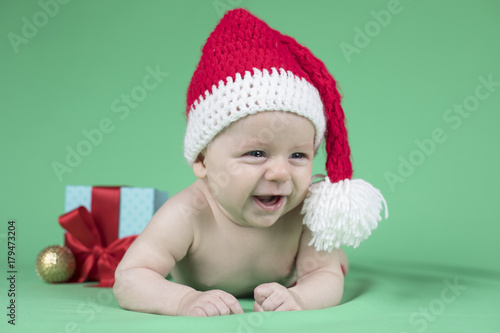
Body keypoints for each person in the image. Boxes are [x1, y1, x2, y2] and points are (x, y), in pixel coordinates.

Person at [113, 8, 387, 317]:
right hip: (192, 279)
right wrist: (181, 300)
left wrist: (301, 298)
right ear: (203, 160)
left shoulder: (303, 211)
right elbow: (129, 277)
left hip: (285, 281)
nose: (281, 172)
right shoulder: (188, 214)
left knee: (333, 260)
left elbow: (325, 276)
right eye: (256, 153)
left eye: (298, 155)